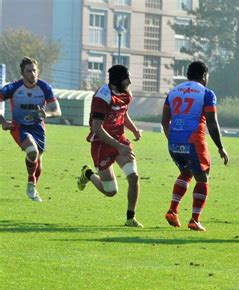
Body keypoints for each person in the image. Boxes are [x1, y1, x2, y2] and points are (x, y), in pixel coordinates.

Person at [161, 61, 229, 231]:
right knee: (203, 177)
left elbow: (164, 121)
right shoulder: (206, 93)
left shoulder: (173, 91)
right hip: (193, 140)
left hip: (174, 141)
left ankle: (173, 210)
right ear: (204, 76)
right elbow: (212, 124)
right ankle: (194, 219)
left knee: (185, 173)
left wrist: (172, 139)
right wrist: (220, 147)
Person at [76, 65, 143, 228]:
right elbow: (97, 129)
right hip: (101, 144)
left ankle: (130, 218)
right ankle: (88, 174)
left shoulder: (126, 94)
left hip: (119, 139)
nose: (130, 81)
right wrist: (119, 146)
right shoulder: (102, 97)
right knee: (111, 191)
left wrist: (133, 129)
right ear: (117, 81)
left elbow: (123, 113)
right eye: (127, 78)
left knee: (133, 177)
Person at [0, 57, 61, 202]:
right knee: (32, 151)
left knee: (38, 160)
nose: (32, 74)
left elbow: (57, 111)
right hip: (19, 127)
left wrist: (48, 114)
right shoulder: (13, 88)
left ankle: (32, 185)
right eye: (29, 71)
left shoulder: (45, 87)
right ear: (22, 73)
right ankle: (30, 182)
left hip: (38, 128)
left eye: (34, 70)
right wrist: (2, 121)